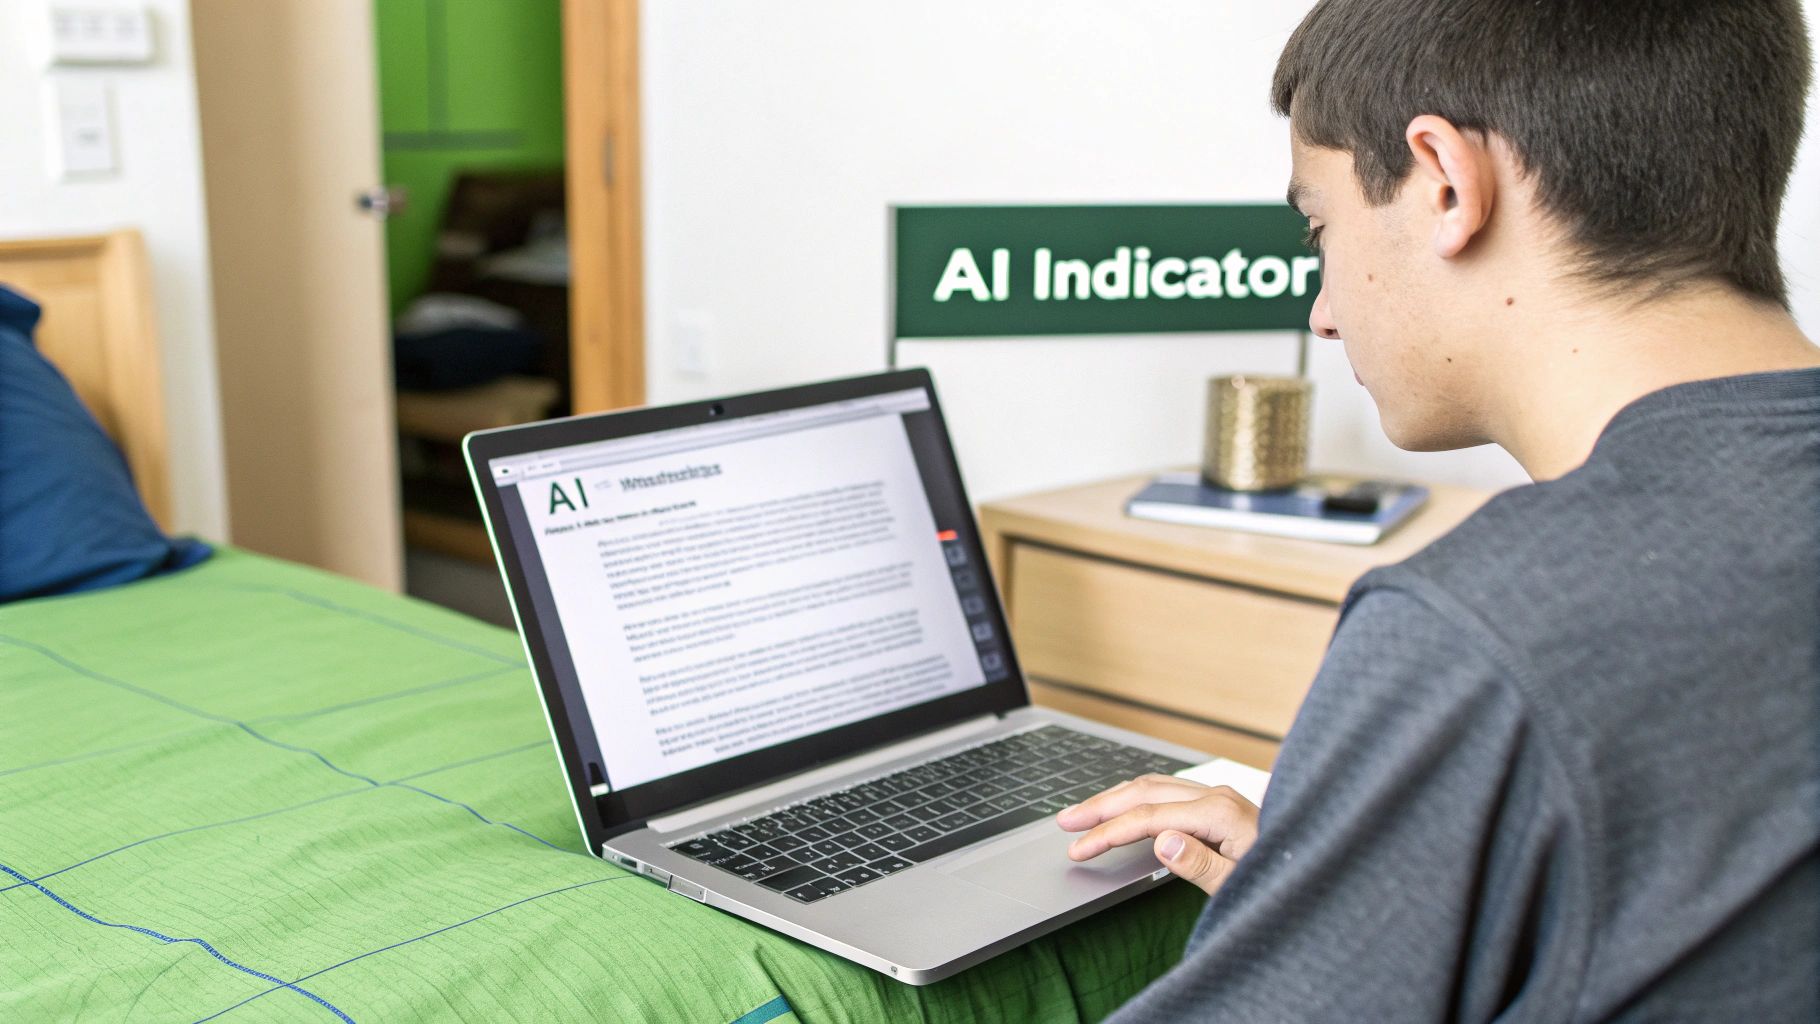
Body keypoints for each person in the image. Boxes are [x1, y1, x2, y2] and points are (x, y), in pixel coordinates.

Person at [1059, 1, 1820, 1019]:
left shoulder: (1492, 627)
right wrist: (1346, 902)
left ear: (1445, 183)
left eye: (1319, 225)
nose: (1321, 313)